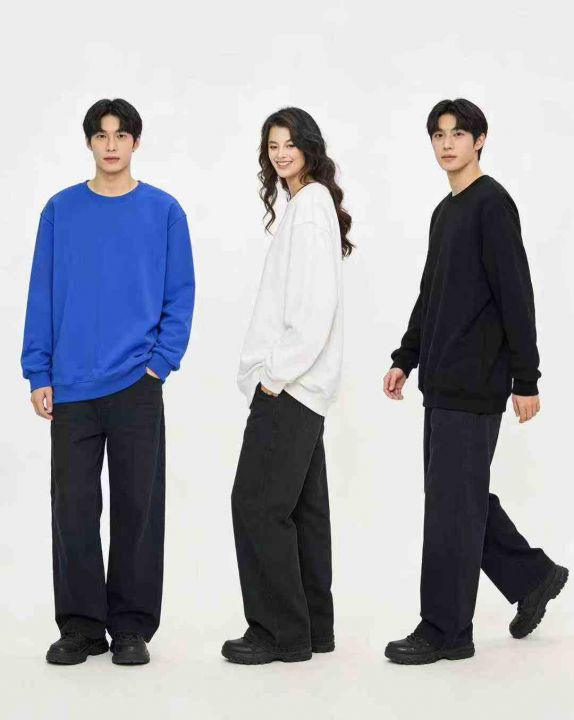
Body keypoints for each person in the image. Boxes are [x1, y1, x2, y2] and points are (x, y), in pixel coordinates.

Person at [383, 98, 568, 665]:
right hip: (440, 383)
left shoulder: (492, 204)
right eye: (438, 135)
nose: (447, 144)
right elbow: (430, 293)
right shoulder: (446, 212)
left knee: (451, 507)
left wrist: (526, 378)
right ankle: (532, 577)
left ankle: (446, 631)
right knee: (456, 500)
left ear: (480, 139)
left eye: (458, 134)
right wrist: (406, 357)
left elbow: (517, 293)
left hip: (475, 383)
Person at [21, 98, 195, 666]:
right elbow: (42, 292)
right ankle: (80, 626)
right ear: (89, 142)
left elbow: (180, 294)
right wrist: (38, 369)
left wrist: (160, 363)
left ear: (136, 142)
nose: (111, 145)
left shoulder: (164, 211)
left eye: (121, 135)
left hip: (136, 384)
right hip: (71, 385)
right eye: (101, 135)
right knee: (72, 510)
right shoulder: (60, 211)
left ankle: (130, 627)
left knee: (136, 510)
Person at [222, 107, 353, 664]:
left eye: (290, 143)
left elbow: (315, 307)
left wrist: (272, 376)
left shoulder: (311, 207)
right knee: (301, 511)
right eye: (272, 145)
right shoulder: (306, 205)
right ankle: (313, 629)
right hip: (302, 386)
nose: (280, 154)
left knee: (255, 504)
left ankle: (280, 633)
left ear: (309, 147)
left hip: (291, 386)